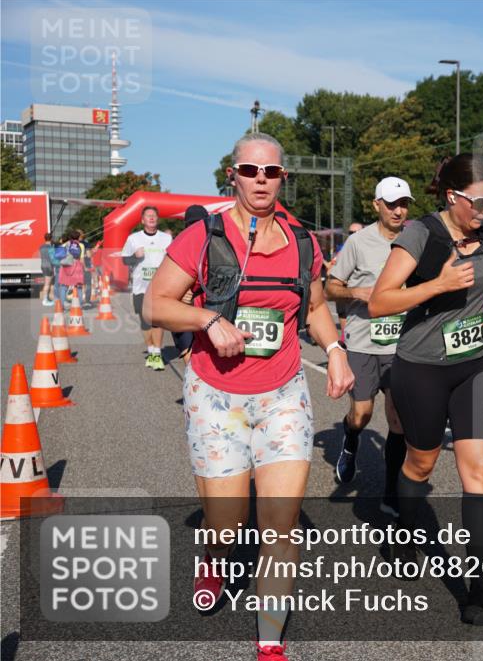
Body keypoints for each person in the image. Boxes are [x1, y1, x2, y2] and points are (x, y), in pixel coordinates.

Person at [145, 132, 353, 661]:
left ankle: (268, 644)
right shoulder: (203, 237)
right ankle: (214, 553)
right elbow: (155, 305)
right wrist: (206, 318)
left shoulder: (304, 241)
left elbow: (314, 308)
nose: (261, 180)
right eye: (250, 170)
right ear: (232, 176)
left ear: (284, 178)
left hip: (283, 393)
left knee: (279, 527)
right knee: (228, 522)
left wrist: (333, 350)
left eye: (272, 172)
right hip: (215, 395)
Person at [368, 154, 483, 625]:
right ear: (453, 196)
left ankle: (477, 585)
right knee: (421, 461)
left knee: (477, 470)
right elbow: (379, 302)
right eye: (476, 201)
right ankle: (403, 530)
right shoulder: (422, 234)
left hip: (477, 364)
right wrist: (436, 285)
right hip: (423, 367)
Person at [325, 177, 411, 515]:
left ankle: (391, 493)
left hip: (403, 346)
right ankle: (350, 438)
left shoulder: (416, 240)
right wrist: (355, 293)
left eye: (403, 203)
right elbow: (332, 287)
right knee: (362, 414)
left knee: (399, 421)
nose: (398, 210)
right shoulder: (359, 242)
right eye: (391, 204)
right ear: (377, 205)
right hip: (362, 342)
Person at [122, 206, 173, 370]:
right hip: (140, 287)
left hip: (160, 287)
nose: (151, 218)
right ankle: (151, 350)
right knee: (145, 322)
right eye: (148, 216)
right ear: (142, 220)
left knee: (157, 320)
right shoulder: (133, 239)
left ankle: (157, 354)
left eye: (154, 216)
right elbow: (124, 261)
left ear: (157, 219)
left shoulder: (166, 238)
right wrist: (134, 257)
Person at [169, 205, 210, 364]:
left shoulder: (216, 244)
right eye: (192, 224)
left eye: (200, 223)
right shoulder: (178, 246)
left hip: (207, 312)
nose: (196, 229)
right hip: (183, 312)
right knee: (190, 358)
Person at [57, 231, 86, 306]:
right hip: (77, 266)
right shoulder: (81, 245)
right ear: (78, 237)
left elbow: (59, 256)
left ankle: (62, 306)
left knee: (64, 286)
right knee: (78, 287)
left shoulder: (65, 244)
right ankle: (79, 306)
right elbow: (82, 259)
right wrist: (84, 268)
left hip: (66, 266)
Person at [39, 232, 55, 306]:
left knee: (48, 283)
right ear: (51, 238)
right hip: (49, 266)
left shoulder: (41, 247)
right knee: (48, 284)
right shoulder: (51, 247)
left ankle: (47, 298)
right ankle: (45, 300)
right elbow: (53, 258)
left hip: (43, 265)